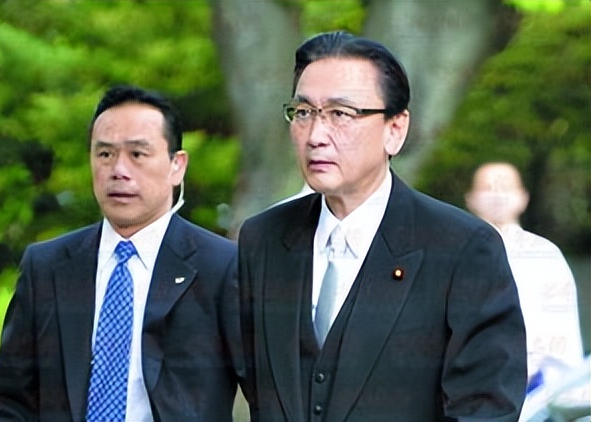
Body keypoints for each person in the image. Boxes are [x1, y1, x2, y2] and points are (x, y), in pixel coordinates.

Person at [238, 31, 527, 421]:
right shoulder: (264, 240)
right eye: (303, 112)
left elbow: (485, 408)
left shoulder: (461, 248)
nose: (316, 136)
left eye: (341, 114)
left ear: (395, 129)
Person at [0, 85, 243, 422]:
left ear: (177, 165)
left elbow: (270, 394)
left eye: (137, 154)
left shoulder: (221, 266)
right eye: (105, 154)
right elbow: (6, 403)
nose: (119, 170)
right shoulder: (47, 267)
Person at [465, 161, 585, 419]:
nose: (497, 195)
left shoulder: (545, 255)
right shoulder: (452, 254)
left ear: (523, 198)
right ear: (471, 199)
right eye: (488, 188)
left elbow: (559, 334)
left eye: (505, 187)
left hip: (537, 393)